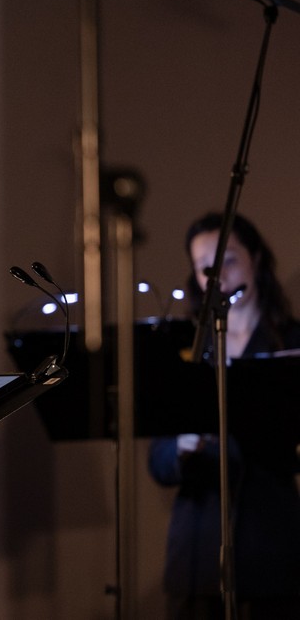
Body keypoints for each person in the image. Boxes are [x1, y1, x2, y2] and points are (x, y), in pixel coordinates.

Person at [148, 212, 300, 619]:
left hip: (271, 548)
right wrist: (180, 447)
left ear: (256, 259)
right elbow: (158, 461)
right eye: (205, 268)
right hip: (197, 554)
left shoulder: (291, 342)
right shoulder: (188, 350)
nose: (218, 277)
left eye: (228, 260)